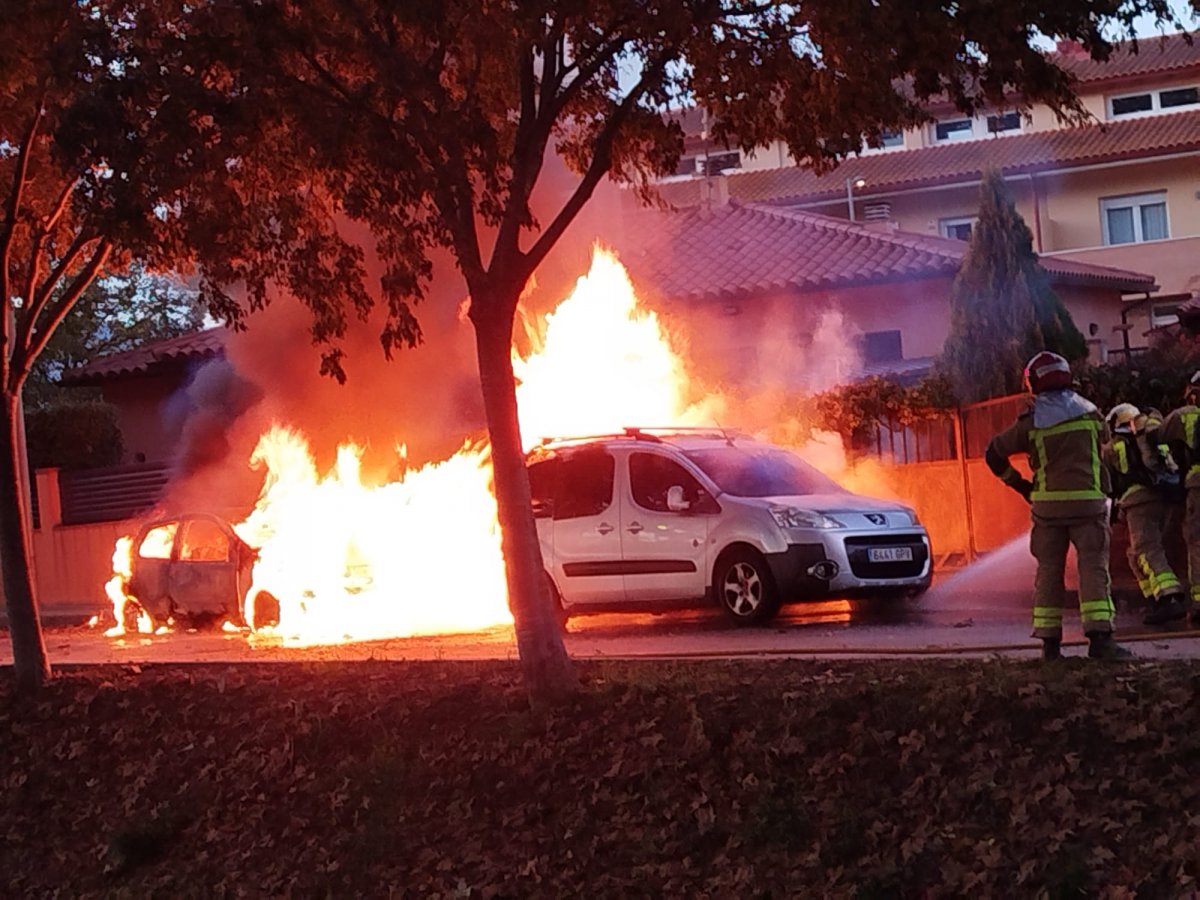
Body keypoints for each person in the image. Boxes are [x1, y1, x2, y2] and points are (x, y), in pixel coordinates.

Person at [986, 351, 1129, 660]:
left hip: (1048, 509)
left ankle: (1050, 644)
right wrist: (1113, 496)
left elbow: (993, 454)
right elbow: (1107, 457)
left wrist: (1021, 485)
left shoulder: (1031, 423)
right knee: (1093, 568)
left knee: (1049, 570)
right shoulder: (1091, 414)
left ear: (1034, 383)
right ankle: (1101, 639)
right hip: (1089, 505)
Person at [1102, 402, 1186, 626]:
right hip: (1160, 499)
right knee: (1135, 554)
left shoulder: (1114, 447)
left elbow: (1106, 482)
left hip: (1138, 501)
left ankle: (1170, 597)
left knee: (1147, 550)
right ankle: (1155, 598)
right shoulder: (1147, 442)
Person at [1159, 371, 1200, 624]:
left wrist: (1170, 471)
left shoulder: (1180, 416)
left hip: (1196, 483)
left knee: (1196, 541)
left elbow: (1157, 444)